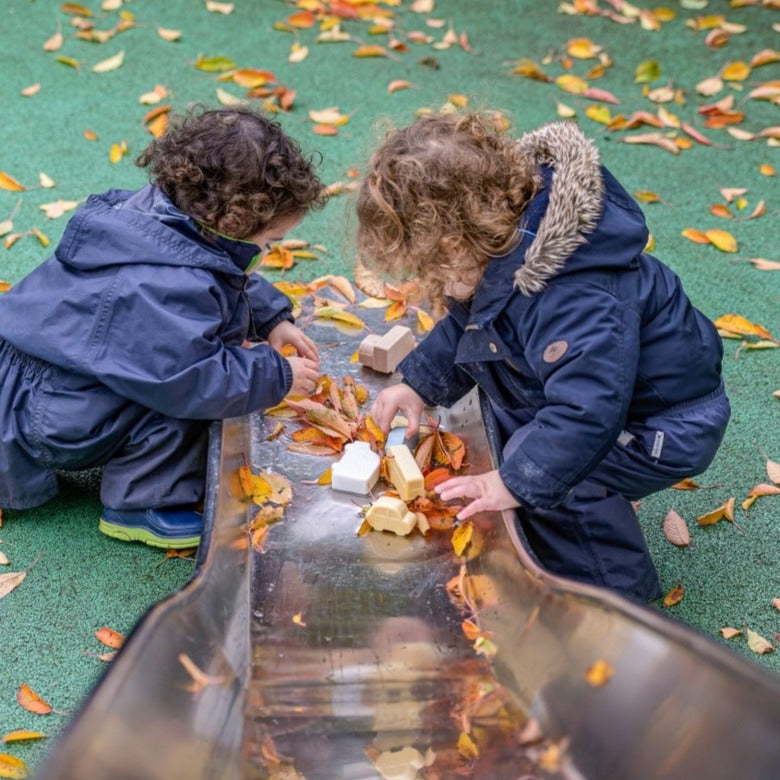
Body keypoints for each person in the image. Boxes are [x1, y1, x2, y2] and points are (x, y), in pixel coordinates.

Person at [359, 112, 730, 603]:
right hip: (607, 398)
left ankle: (615, 603)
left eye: (427, 262)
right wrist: (418, 384)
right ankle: (543, 523)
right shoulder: (502, 245)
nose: (430, 278)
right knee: (527, 446)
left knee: (563, 479)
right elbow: (469, 325)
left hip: (663, 423)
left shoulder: (573, 292)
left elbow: (588, 416)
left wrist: (515, 482)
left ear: (454, 240)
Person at [0, 107, 323, 548]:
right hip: (49, 411)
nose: (266, 252)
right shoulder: (165, 286)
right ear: (232, 227)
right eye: (268, 243)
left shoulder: (164, 216)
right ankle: (141, 504)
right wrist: (276, 375)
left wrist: (270, 317)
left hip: (40, 377)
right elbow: (192, 378)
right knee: (192, 402)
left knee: (191, 365)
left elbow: (219, 272)